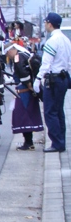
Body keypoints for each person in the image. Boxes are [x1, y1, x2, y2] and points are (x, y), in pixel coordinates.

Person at [33, 12, 71, 152]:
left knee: (50, 112)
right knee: (59, 111)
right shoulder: (66, 40)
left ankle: (56, 143)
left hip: (53, 79)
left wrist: (38, 79)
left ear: (49, 24)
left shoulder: (52, 41)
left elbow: (46, 63)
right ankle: (61, 141)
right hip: (63, 78)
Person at [5, 40, 43, 151]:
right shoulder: (25, 54)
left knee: (24, 116)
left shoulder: (18, 57)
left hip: (24, 91)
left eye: (8, 53)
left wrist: (29, 85)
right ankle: (28, 141)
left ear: (12, 50)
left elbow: (22, 72)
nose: (8, 56)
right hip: (26, 90)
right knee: (27, 115)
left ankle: (28, 142)